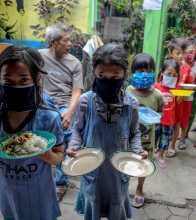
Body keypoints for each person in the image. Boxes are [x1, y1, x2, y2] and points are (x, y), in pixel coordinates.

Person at [0, 45, 64, 219]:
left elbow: (59, 156)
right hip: (10, 197)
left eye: (24, 80)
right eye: (8, 80)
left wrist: (48, 156)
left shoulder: (50, 118)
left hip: (41, 196)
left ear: (37, 78)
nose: (16, 86)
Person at [66, 44, 148, 220]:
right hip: (93, 173)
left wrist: (138, 151)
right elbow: (78, 129)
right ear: (94, 72)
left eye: (115, 76)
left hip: (118, 175)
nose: (108, 79)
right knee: (93, 209)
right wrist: (73, 147)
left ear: (124, 74)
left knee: (116, 210)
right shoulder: (85, 101)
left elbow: (134, 133)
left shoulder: (131, 104)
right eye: (102, 75)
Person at [39, 23, 83, 200]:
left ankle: (60, 183)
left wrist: (70, 112)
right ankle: (39, 176)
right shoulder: (38, 57)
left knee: (63, 132)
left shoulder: (75, 63)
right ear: (53, 42)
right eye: (66, 40)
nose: (70, 43)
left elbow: (77, 91)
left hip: (64, 103)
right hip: (43, 102)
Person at [126, 53, 164, 208]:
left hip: (147, 138)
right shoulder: (128, 91)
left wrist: (155, 117)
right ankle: (123, 188)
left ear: (154, 72)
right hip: (128, 137)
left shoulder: (157, 95)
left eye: (148, 71)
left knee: (143, 164)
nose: (144, 74)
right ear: (132, 72)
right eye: (140, 70)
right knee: (126, 162)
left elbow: (161, 112)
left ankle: (140, 188)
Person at [176, 39, 196, 150]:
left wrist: (195, 86)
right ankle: (172, 137)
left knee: (185, 118)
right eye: (188, 52)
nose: (191, 54)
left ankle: (182, 138)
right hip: (176, 96)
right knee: (174, 117)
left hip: (188, 97)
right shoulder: (178, 64)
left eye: (194, 52)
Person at [154, 59, 181, 165]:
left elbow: (178, 102)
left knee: (165, 140)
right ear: (162, 72)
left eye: (174, 74)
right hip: (156, 119)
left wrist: (181, 96)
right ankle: (151, 155)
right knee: (153, 138)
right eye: (169, 73)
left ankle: (161, 156)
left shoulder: (176, 87)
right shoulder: (156, 86)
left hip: (169, 120)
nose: (171, 76)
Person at [164, 38, 185, 157]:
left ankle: (172, 146)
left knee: (176, 124)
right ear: (170, 53)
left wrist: (183, 93)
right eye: (178, 53)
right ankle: (162, 145)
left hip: (179, 101)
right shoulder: (166, 66)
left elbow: (189, 85)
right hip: (166, 101)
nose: (181, 56)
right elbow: (159, 82)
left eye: (183, 53)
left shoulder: (186, 69)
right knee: (163, 123)